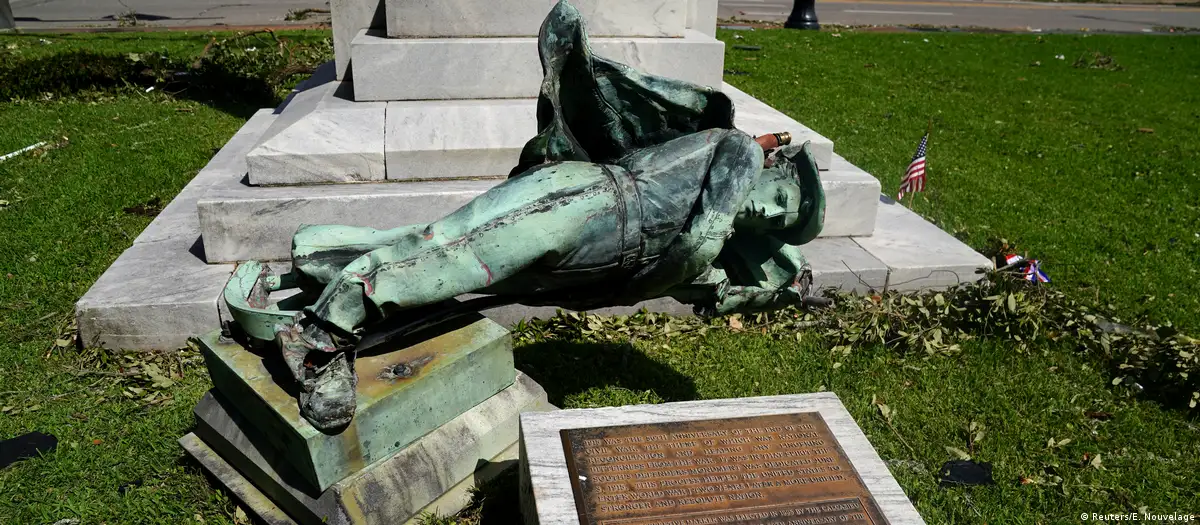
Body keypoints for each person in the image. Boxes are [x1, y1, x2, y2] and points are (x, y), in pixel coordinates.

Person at [240, 0, 827, 430]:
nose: (767, 209)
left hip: (596, 259)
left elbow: (703, 282)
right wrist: (738, 266)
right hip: (585, 204)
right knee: (454, 257)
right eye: (780, 197)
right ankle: (318, 342)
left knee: (442, 261)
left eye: (777, 220)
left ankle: (320, 255)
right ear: (774, 169)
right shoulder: (738, 152)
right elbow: (700, 242)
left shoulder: (718, 230)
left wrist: (774, 288)